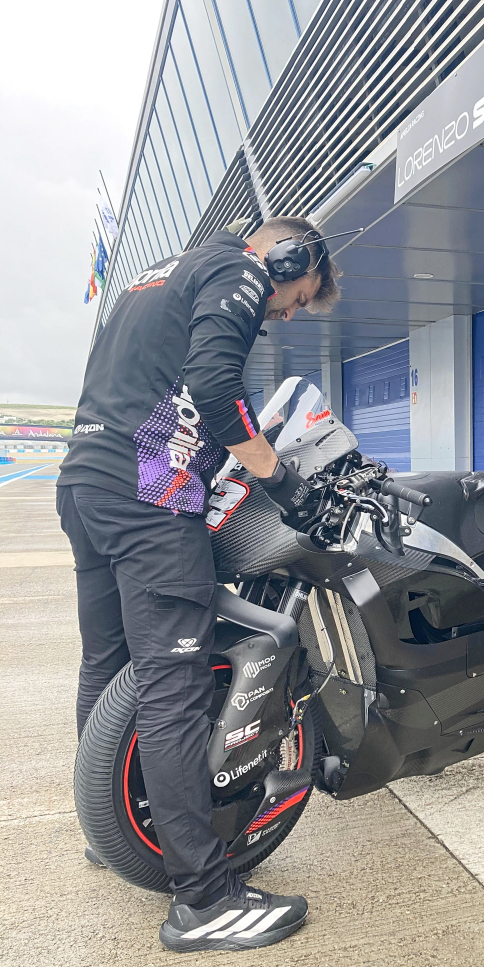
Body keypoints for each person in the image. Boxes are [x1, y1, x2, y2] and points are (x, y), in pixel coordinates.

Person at [56, 216, 340, 952]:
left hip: (87, 484)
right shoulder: (239, 272)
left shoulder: (156, 273)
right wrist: (279, 477)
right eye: (298, 297)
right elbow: (216, 385)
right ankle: (204, 899)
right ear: (287, 258)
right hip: (149, 498)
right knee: (173, 690)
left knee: (109, 666)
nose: (287, 314)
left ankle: (111, 829)